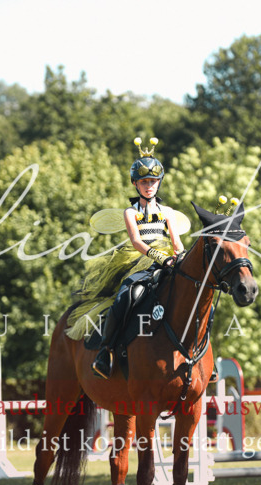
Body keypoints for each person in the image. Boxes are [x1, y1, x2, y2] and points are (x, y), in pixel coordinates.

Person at [66, 137, 185, 378]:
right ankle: (105, 352)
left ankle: (204, 356)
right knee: (126, 295)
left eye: (153, 181)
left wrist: (180, 256)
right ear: (135, 184)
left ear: (159, 182)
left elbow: (176, 240)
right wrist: (160, 258)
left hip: (170, 260)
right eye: (144, 181)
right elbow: (136, 242)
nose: (149, 185)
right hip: (140, 260)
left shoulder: (168, 212)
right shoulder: (130, 212)